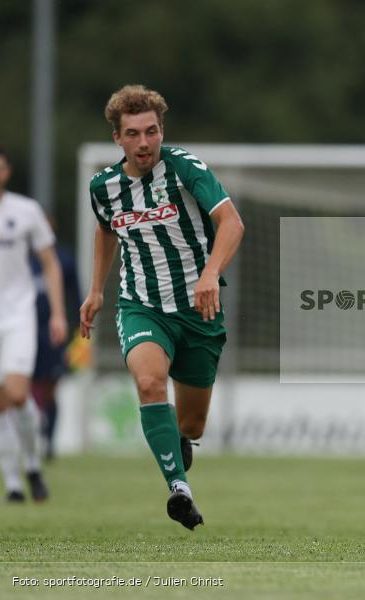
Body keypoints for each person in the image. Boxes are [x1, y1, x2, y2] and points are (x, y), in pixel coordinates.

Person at [80, 85, 244, 529]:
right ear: (117, 138)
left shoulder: (185, 168)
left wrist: (210, 273)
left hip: (198, 310)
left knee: (192, 424)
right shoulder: (103, 187)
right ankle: (179, 490)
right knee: (150, 382)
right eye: (133, 134)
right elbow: (106, 230)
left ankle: (180, 442)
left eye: (151, 131)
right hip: (142, 306)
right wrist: (97, 290)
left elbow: (231, 222)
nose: (144, 142)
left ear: (161, 131)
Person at [0, 145, 67, 503]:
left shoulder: (26, 210)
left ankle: (33, 465)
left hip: (17, 315)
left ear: (7, 171)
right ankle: (13, 483)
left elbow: (50, 263)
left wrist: (58, 313)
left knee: (17, 394)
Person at [30, 216, 83, 460]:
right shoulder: (24, 258)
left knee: (50, 388)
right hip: (25, 331)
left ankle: (49, 441)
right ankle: (28, 438)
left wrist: (77, 330)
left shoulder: (64, 259)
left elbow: (76, 296)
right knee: (24, 389)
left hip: (55, 334)